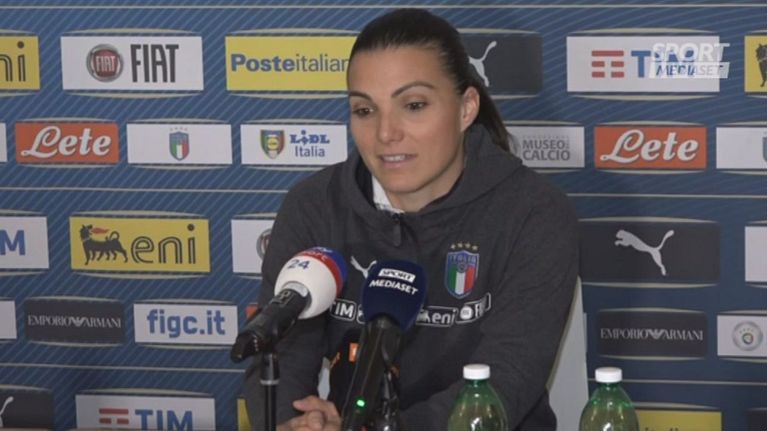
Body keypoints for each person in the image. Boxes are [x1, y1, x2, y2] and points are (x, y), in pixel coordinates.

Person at [244, 8, 578, 431]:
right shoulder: (313, 206)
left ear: (466, 108)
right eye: (365, 110)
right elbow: (281, 357)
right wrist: (298, 422)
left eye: (414, 105)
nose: (386, 133)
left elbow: (506, 379)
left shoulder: (534, 212)